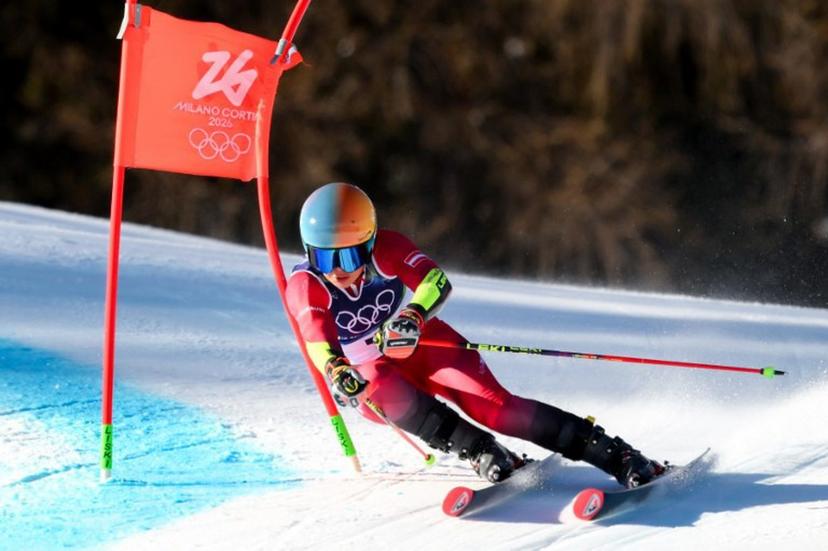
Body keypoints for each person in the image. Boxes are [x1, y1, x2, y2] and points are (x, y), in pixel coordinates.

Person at [286, 182, 665, 487]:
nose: (337, 270)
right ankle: (481, 451)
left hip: (424, 346)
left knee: (497, 408)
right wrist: (337, 371)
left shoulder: (388, 248)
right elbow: (316, 336)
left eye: (349, 257)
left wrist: (414, 316)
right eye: (324, 258)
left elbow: (435, 281)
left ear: (368, 243)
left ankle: (618, 455)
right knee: (382, 390)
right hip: (370, 374)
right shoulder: (305, 284)